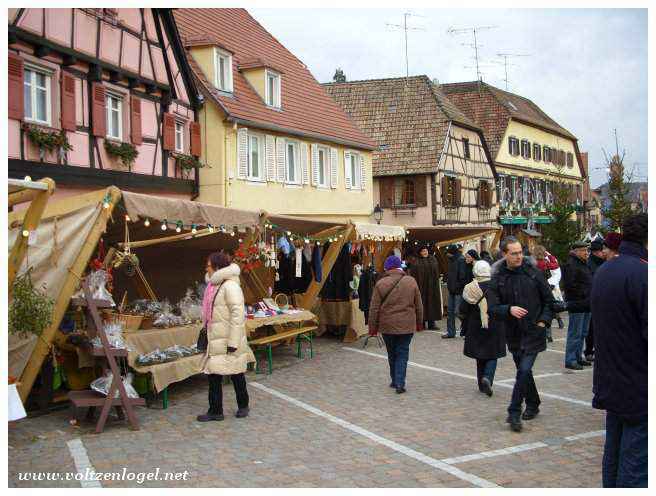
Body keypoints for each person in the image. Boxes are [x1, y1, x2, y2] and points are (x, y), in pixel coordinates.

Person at [591, 214, 647, 488]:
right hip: (639, 383)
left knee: (613, 453)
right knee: (636, 464)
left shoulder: (605, 271)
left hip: (611, 378)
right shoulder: (643, 273)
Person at [487, 236, 554, 432]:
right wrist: (508, 309)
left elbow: (549, 302)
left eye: (520, 252)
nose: (519, 256)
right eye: (514, 253)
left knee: (524, 370)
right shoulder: (498, 278)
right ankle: (533, 403)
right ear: (504, 254)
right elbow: (492, 307)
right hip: (514, 332)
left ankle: (514, 411)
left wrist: (543, 322)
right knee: (523, 371)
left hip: (534, 331)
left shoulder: (534, 272)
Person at [197, 252, 256, 422]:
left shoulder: (230, 286)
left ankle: (243, 405)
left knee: (236, 372)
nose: (206, 268)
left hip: (229, 340)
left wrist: (233, 342)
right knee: (214, 374)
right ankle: (215, 411)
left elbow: (238, 315)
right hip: (216, 338)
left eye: (208, 265)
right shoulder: (214, 286)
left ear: (217, 267)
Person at [368, 255, 423, 394]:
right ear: (400, 266)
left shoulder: (380, 283)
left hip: (387, 325)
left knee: (392, 353)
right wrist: (419, 323)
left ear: (387, 268)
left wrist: (372, 328)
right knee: (402, 353)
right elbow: (419, 305)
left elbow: (374, 308)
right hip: (406, 324)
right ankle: (400, 382)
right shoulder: (411, 281)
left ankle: (395, 380)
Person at [459, 260, 505, 397]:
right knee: (493, 354)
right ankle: (488, 378)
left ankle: (481, 383)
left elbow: (462, 309)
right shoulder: (497, 285)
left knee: (480, 354)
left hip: (475, 325)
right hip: (495, 323)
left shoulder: (469, 288)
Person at [562, 241, 593, 370]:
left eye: (587, 251)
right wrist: (585, 292)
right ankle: (571, 359)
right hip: (577, 303)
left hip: (586, 303)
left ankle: (578, 357)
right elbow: (570, 285)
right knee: (575, 332)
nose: (586, 253)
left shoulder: (583, 263)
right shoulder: (571, 264)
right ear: (576, 251)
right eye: (584, 250)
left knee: (583, 333)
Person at [408, 245, 441, 330]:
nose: (425, 252)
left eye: (426, 251)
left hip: (432, 287)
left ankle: (431, 323)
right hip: (421, 286)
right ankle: (421, 323)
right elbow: (414, 273)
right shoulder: (416, 261)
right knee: (421, 304)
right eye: (423, 251)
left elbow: (436, 271)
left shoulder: (433, 259)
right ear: (420, 252)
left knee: (432, 304)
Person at [584, 239, 606, 361]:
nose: (603, 252)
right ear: (595, 252)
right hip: (593, 299)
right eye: (601, 250)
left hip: (603, 299)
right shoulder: (590, 263)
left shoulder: (604, 261)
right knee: (591, 328)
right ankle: (588, 350)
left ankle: (599, 350)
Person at [443, 245, 467, 339]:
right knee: (450, 312)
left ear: (451, 252)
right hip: (452, 290)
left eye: (448, 252)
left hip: (458, 291)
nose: (447, 254)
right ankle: (451, 332)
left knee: (459, 311)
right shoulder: (452, 260)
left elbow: (462, 276)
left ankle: (467, 329)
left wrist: (458, 286)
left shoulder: (460, 260)